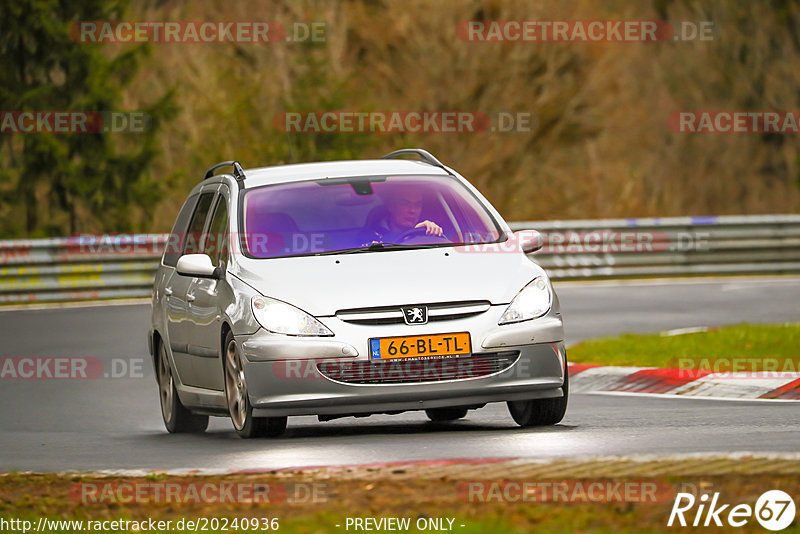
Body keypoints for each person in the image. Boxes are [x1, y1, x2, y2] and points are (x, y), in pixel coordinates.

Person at [365, 186, 443, 243]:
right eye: (405, 203)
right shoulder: (370, 235)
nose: (412, 210)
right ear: (391, 206)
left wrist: (432, 231)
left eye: (417, 205)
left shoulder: (424, 230)